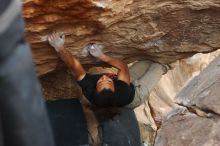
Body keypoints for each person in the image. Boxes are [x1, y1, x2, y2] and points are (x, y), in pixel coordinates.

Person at [48, 32, 169, 108]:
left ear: (95, 89)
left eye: (101, 82)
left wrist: (59, 48)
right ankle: (168, 65)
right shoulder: (123, 93)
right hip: (134, 96)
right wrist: (102, 56)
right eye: (109, 81)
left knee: (146, 62)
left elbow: (74, 65)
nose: (104, 77)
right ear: (115, 87)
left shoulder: (89, 88)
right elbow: (123, 67)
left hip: (122, 85)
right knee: (159, 65)